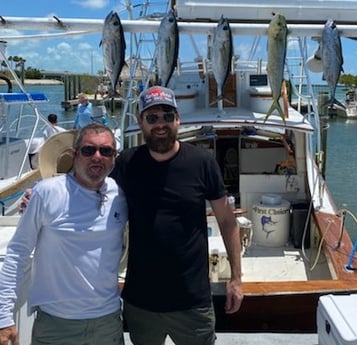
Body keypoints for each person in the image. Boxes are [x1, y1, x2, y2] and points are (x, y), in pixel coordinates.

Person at [112, 86, 243, 345]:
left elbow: (227, 221)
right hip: (141, 303)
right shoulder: (126, 163)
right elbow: (91, 191)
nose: (160, 124)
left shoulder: (202, 163)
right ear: (140, 122)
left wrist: (237, 279)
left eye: (167, 116)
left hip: (192, 302)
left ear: (178, 120)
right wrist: (41, 195)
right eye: (152, 118)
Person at [0, 123, 128, 345]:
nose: (97, 156)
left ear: (114, 157)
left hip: (107, 323)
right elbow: (18, 253)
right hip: (56, 325)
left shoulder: (120, 195)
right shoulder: (46, 193)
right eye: (89, 150)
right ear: (74, 154)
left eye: (106, 151)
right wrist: (3, 315)